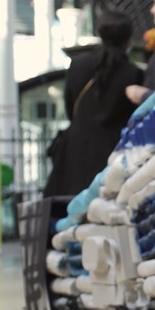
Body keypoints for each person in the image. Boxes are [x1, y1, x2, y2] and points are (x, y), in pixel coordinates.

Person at [44, 11, 143, 196]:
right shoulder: (132, 73)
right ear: (128, 38)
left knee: (70, 209)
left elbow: (69, 106)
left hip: (74, 152)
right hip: (112, 154)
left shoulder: (78, 65)